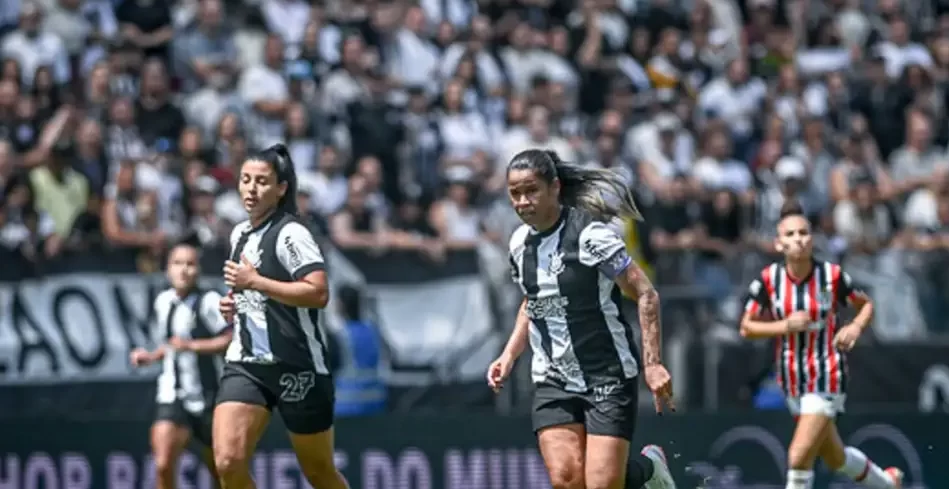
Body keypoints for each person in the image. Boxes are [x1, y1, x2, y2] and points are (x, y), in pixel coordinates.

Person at [487, 148, 678, 489]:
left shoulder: (592, 236)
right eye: (515, 193)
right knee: (566, 479)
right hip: (553, 379)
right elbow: (533, 300)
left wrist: (653, 364)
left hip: (607, 374)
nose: (522, 201)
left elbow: (646, 293)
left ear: (555, 188)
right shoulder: (519, 245)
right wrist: (509, 354)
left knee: (603, 485)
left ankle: (649, 472)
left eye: (531, 190)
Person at [740, 202, 904, 489]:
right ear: (779, 244)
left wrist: (854, 326)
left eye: (803, 232)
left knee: (799, 455)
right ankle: (888, 483)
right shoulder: (769, 280)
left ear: (812, 238)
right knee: (834, 456)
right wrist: (784, 326)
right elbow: (746, 327)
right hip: (792, 379)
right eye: (790, 234)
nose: (798, 239)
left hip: (826, 373)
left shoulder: (832, 276)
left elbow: (865, 305)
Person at [213, 143, 349, 489]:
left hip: (297, 364)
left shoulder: (292, 232)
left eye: (261, 181)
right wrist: (235, 303)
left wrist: (254, 282)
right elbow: (252, 292)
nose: (251, 189)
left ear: (281, 188)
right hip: (246, 362)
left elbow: (318, 293)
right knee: (228, 462)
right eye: (245, 180)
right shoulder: (238, 234)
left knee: (320, 473)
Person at [129, 241, 232, 489]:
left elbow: (231, 339)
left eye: (190, 264)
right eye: (177, 263)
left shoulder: (209, 301)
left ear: (198, 269)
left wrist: (193, 346)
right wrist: (152, 356)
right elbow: (172, 344)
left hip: (208, 397)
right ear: (167, 269)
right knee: (163, 463)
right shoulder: (163, 301)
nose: (184, 270)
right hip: (173, 395)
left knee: (222, 471)